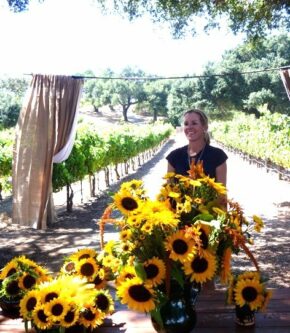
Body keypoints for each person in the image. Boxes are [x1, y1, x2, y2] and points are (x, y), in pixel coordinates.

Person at [166, 109, 227, 187]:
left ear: (205, 127)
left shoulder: (218, 156)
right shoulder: (174, 156)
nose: (189, 127)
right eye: (186, 124)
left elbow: (222, 195)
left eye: (194, 123)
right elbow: (169, 191)